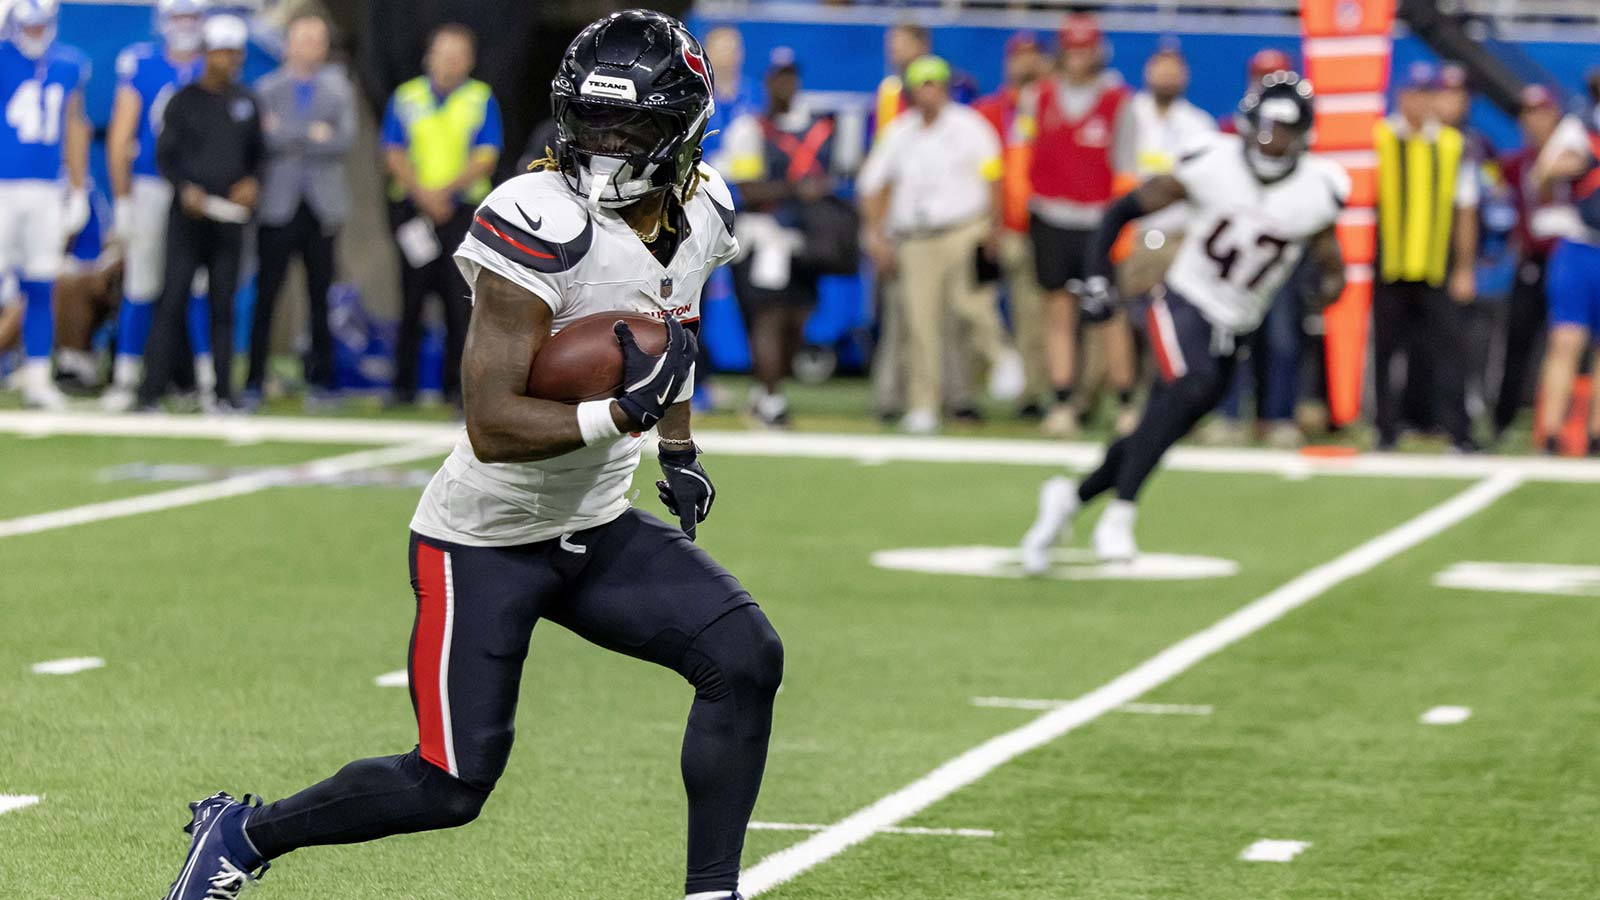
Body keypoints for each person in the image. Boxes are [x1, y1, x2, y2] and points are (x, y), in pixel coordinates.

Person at [160, 12, 779, 900]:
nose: (605, 144)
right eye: (592, 121)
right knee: (449, 785)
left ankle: (712, 893)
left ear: (682, 131)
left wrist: (676, 445)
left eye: (628, 126)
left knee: (746, 656)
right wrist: (619, 415)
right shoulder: (538, 216)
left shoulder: (706, 206)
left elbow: (670, 327)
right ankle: (243, 833)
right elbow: (491, 421)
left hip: (593, 522)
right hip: (485, 538)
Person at [1021, 72, 1347, 569]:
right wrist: (1097, 276)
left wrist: (1326, 288)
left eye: (1283, 131)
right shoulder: (1213, 163)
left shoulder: (1317, 190)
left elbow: (1329, 259)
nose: (1271, 141)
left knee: (1164, 423)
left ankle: (1070, 498)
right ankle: (1120, 515)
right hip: (1185, 300)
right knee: (1187, 387)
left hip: (1238, 322)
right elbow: (1121, 212)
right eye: (1265, 128)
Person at [859, 55, 1013, 434]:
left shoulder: (970, 126)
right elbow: (872, 184)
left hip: (964, 229)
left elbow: (993, 177)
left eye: (935, 85)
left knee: (972, 307)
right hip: (915, 238)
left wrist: (995, 228)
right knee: (920, 323)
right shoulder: (899, 132)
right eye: (922, 86)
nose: (929, 93)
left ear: (945, 88)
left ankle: (1001, 358)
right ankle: (923, 403)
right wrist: (876, 233)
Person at [135, 14, 261, 411]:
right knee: (171, 301)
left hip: (229, 220)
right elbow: (165, 156)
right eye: (223, 52)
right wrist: (184, 188)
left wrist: (252, 183)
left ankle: (224, 392)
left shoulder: (247, 102)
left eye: (235, 54)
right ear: (207, 53)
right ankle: (150, 391)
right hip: (188, 219)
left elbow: (258, 157)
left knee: (223, 306)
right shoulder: (183, 100)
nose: (230, 61)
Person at [1020, 12, 1137, 437]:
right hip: (1050, 214)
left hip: (1097, 220)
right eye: (1072, 50)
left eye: (1085, 50)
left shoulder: (1118, 101)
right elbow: (1024, 155)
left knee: (1108, 313)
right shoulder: (1038, 97)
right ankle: (1062, 401)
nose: (1077, 58)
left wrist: (1122, 228)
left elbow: (1126, 170)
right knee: (1058, 311)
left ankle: (1125, 402)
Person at [381, 23, 502, 408]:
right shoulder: (407, 96)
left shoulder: (480, 97)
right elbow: (393, 150)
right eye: (443, 54)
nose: (449, 63)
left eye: (457, 55)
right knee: (411, 298)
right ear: (428, 56)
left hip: (462, 211)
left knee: (460, 300)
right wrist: (423, 194)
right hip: (413, 209)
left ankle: (457, 390)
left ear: (469, 60)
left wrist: (445, 193)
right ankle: (403, 388)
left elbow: (487, 154)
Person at [718, 48, 836, 427]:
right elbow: (747, 187)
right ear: (768, 82)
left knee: (796, 320)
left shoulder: (814, 128)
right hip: (762, 236)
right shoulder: (750, 129)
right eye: (779, 77)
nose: (786, 84)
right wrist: (796, 190)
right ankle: (771, 401)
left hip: (802, 237)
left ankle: (763, 392)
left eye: (791, 76)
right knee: (767, 318)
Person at [103, 0, 211, 412]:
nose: (185, 25)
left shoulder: (210, 65)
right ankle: (126, 377)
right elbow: (121, 135)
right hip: (150, 183)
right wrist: (123, 200)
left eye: (192, 17)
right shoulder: (142, 63)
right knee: (141, 284)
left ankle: (209, 380)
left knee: (199, 287)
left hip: (197, 189)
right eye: (178, 17)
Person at [244, 13, 356, 408]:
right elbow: (262, 140)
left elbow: (343, 139)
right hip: (278, 205)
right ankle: (254, 379)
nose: (310, 46)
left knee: (320, 295)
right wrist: (311, 133)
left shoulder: (339, 88)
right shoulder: (266, 88)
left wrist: (287, 133)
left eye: (317, 39)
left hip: (321, 206)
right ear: (288, 44)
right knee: (266, 294)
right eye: (303, 38)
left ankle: (322, 380)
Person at [1370, 62, 1479, 452]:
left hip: (1435, 263)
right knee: (1385, 351)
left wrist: (1464, 267)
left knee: (1450, 349)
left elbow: (1465, 210)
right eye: (1412, 93)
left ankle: (1458, 431)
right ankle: (1384, 430)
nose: (1418, 102)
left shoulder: (1451, 144)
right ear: (1400, 97)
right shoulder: (1379, 138)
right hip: (1389, 262)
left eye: (1425, 94)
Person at [0, 0, 90, 409]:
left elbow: (75, 125)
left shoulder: (69, 63)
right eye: (29, 26)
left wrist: (78, 187)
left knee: (41, 282)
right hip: (3, 186)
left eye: (41, 26)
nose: (35, 34)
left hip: (45, 190)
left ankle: (37, 377)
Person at [975, 31, 1051, 417]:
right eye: (1019, 55)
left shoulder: (1052, 109)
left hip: (1034, 228)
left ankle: (1031, 395)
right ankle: (981, 378)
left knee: (1033, 317)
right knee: (971, 306)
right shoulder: (989, 110)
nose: (1025, 62)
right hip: (989, 225)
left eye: (1032, 54)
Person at [1496, 86, 1568, 440]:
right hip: (1531, 260)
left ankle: (1566, 424)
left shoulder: (1573, 154)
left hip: (1567, 261)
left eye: (1541, 111)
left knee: (1568, 342)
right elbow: (1501, 206)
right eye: (1529, 113)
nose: (1535, 120)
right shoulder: (1514, 163)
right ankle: (1504, 420)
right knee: (1517, 342)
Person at [1529, 103, 1600, 454]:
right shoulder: (1580, 127)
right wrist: (1573, 165)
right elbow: (1540, 176)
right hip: (1580, 247)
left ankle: (1597, 433)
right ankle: (1551, 431)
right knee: (1566, 340)